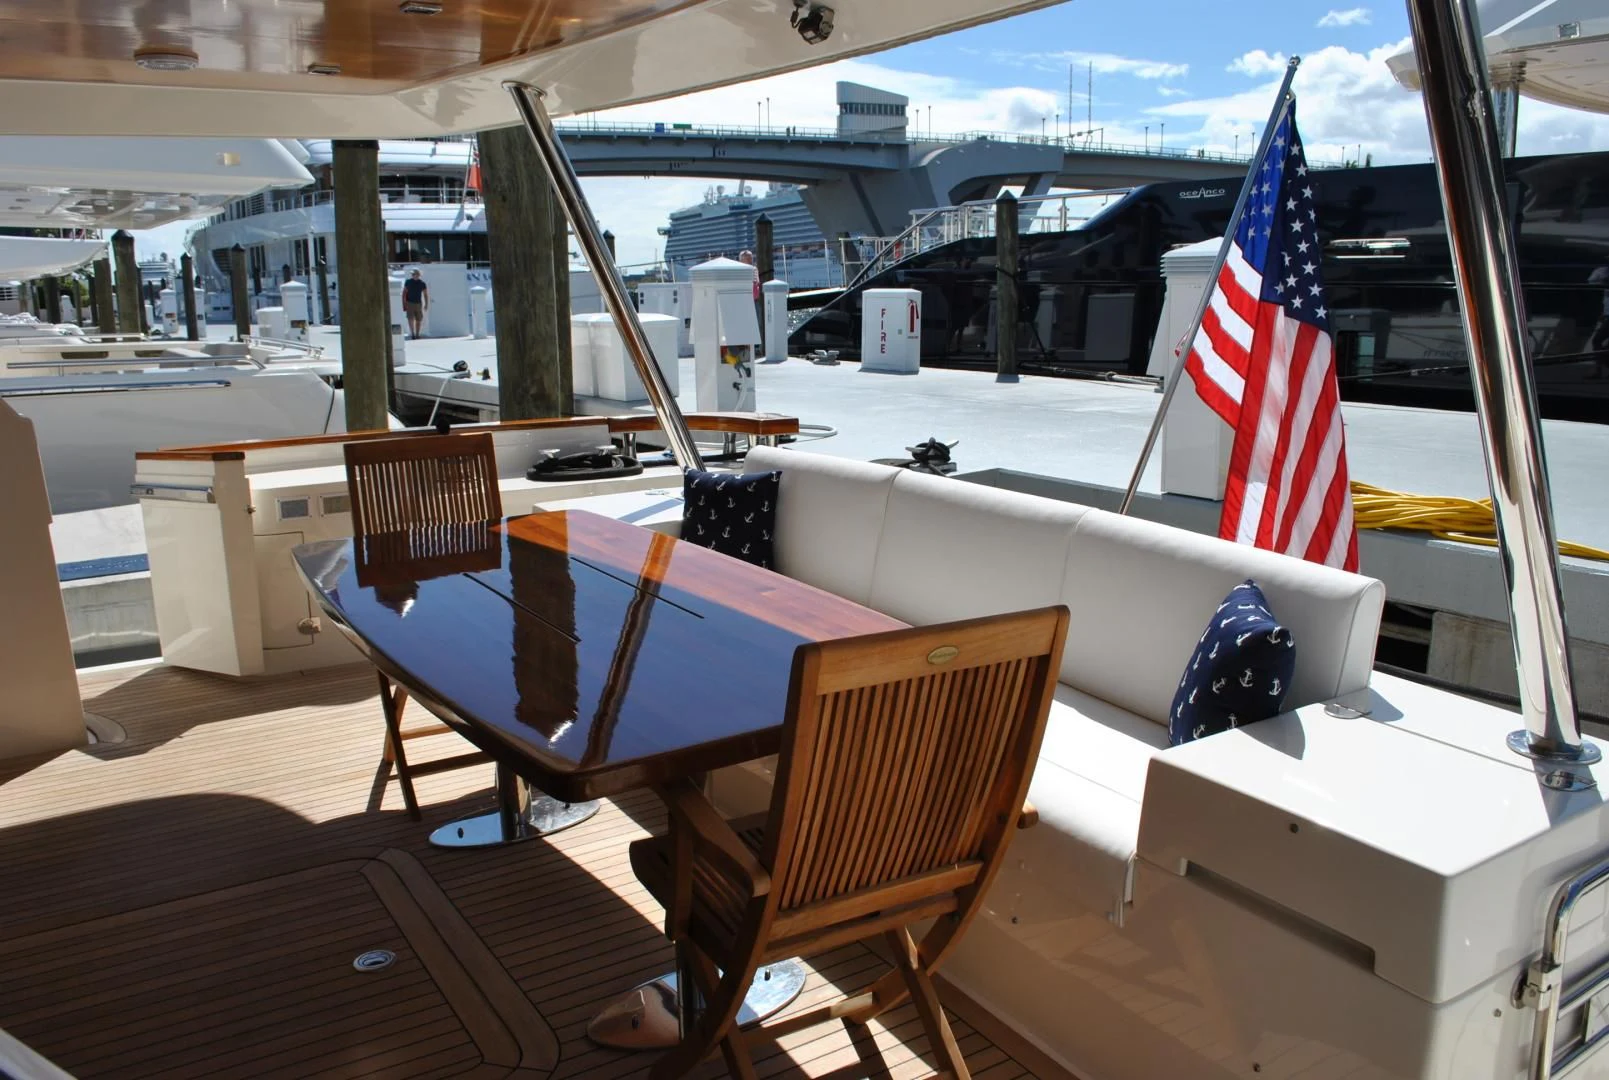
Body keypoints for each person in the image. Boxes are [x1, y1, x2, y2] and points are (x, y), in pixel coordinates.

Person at [402, 269, 429, 339]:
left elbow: (425, 294)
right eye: (412, 274)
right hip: (409, 303)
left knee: (419, 319)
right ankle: (413, 334)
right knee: (410, 318)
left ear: (418, 275)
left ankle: (417, 334)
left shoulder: (422, 283)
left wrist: (426, 304)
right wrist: (404, 303)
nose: (413, 275)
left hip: (418, 303)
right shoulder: (408, 282)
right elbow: (404, 293)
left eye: (414, 274)